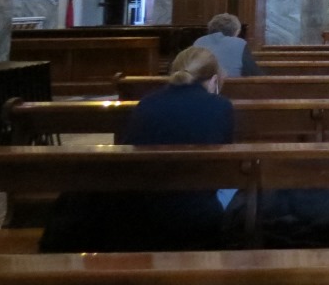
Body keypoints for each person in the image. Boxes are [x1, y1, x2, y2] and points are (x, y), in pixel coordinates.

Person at [40, 47, 235, 252]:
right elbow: (222, 167)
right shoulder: (221, 106)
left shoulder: (147, 103)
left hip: (144, 211)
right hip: (199, 215)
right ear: (214, 81)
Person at [193, 12, 262, 77]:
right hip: (232, 85)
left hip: (198, 85)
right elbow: (253, 73)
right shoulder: (239, 43)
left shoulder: (198, 42)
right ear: (236, 32)